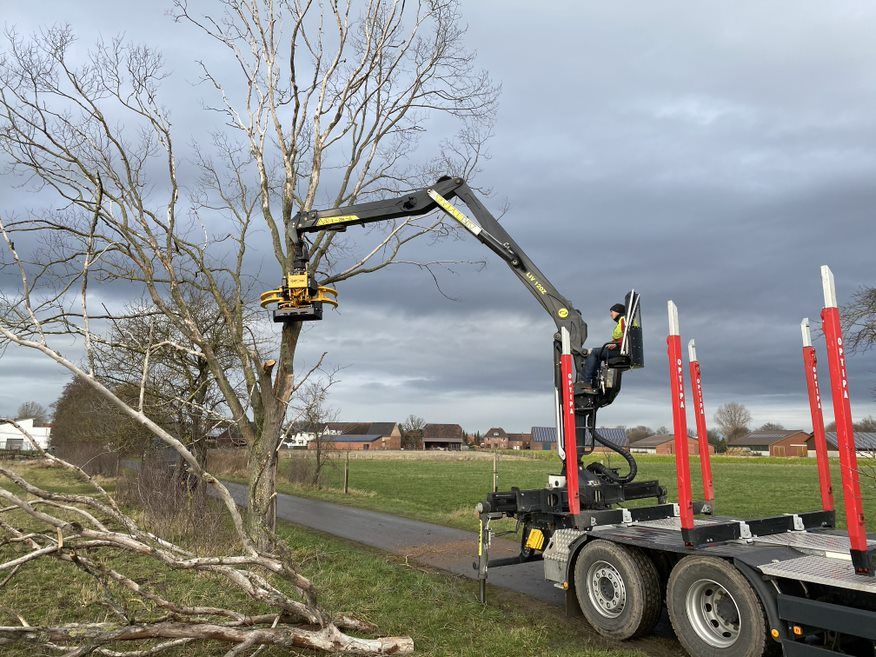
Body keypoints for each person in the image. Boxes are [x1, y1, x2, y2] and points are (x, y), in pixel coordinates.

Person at [581, 303, 626, 393]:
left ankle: (586, 383)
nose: (610, 314)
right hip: (620, 348)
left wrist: (617, 344)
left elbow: (628, 337)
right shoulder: (623, 320)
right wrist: (614, 343)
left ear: (618, 311)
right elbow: (622, 337)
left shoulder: (624, 320)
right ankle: (594, 383)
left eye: (612, 311)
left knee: (593, 352)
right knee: (598, 354)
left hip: (621, 350)